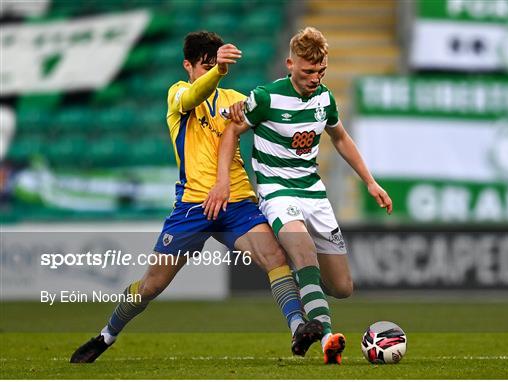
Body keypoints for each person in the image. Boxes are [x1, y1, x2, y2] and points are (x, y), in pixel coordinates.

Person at [70, 31, 324, 364]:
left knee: (274, 258)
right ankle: (107, 335)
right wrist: (216, 72)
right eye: (204, 67)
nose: (210, 72)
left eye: (215, 66)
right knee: (151, 286)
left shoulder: (234, 98)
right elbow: (192, 97)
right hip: (193, 205)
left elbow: (271, 111)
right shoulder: (178, 95)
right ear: (187, 65)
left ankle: (296, 329)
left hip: (236, 203)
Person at [204, 27, 393, 365]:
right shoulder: (265, 97)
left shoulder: (325, 98)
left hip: (314, 194)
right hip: (277, 191)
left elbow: (341, 138)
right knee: (304, 252)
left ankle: (303, 282)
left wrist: (370, 181)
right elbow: (232, 129)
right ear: (290, 64)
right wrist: (223, 183)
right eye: (308, 71)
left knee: (342, 286)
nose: (315, 78)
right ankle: (327, 340)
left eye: (321, 71)